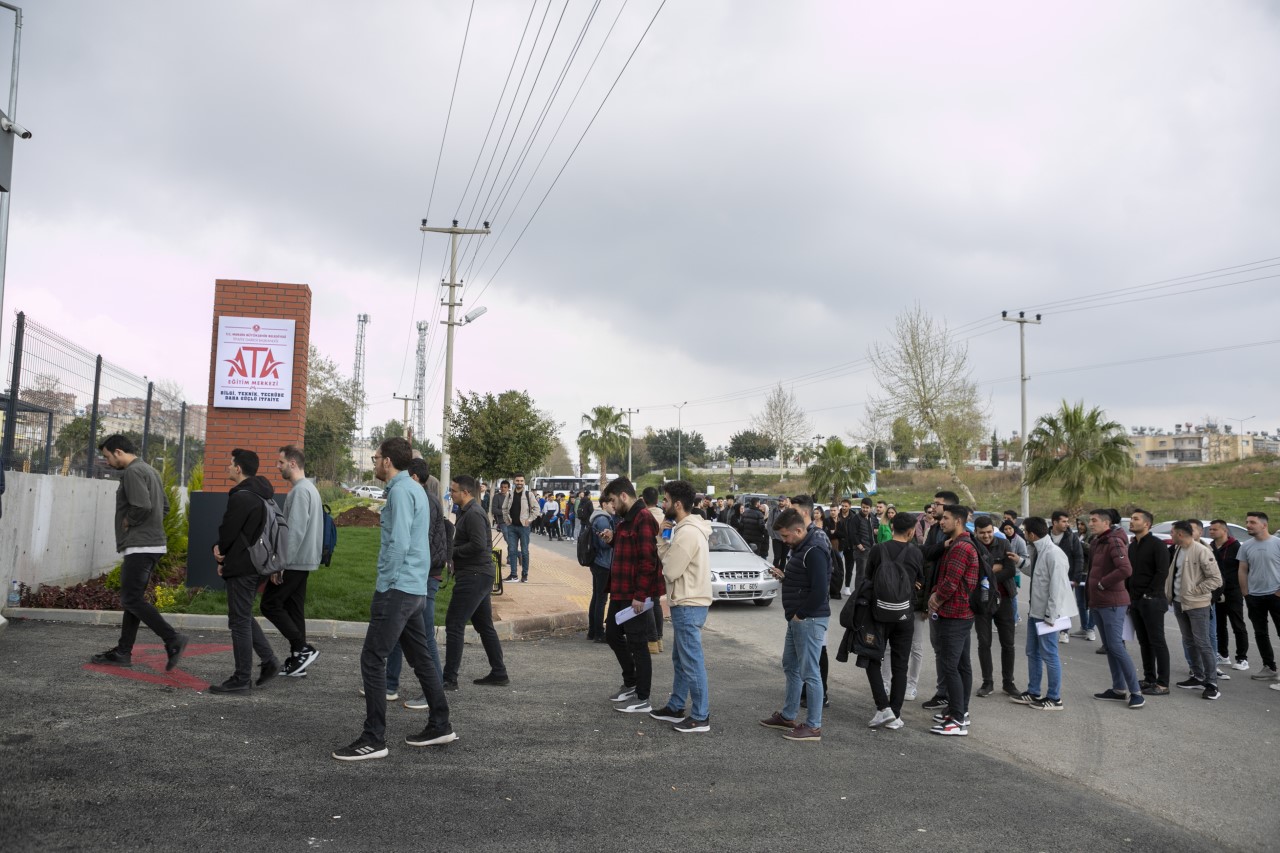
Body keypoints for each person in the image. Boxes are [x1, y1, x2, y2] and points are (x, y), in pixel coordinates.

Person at [333, 438, 455, 761]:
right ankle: (440, 723)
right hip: (415, 589)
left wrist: (385, 584)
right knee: (422, 659)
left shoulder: (401, 491)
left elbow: (399, 543)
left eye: (375, 458)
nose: (374, 463)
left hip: (399, 589)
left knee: (373, 658)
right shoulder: (417, 490)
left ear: (387, 462)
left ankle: (373, 738)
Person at [90, 435, 188, 672]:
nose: (107, 461)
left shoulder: (133, 472)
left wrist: (129, 522)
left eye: (107, 456)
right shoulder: (150, 470)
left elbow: (142, 506)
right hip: (151, 544)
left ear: (119, 452)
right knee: (132, 601)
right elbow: (163, 506)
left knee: (131, 599)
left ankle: (172, 638)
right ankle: (123, 651)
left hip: (140, 545)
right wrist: (150, 526)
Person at [209, 448, 282, 693]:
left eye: (231, 464)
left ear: (238, 468)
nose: (228, 467)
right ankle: (269, 661)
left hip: (243, 566)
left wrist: (220, 555)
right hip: (256, 564)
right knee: (243, 616)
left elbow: (228, 534)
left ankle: (241, 678)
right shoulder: (262, 495)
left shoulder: (241, 497)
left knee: (238, 621)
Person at [759, 507, 831, 742]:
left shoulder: (814, 550)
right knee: (790, 666)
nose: (784, 541)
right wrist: (785, 577)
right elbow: (806, 582)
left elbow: (821, 590)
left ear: (799, 530)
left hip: (808, 620)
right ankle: (788, 715)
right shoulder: (802, 548)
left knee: (811, 673)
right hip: (798, 619)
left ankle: (814, 726)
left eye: (786, 536)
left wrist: (801, 614)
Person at [649, 480, 713, 733]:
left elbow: (671, 570)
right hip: (687, 602)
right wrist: (665, 538)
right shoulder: (686, 528)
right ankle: (676, 706)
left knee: (691, 661)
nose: (662, 504)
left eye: (665, 500)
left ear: (677, 504)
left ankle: (700, 716)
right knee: (682, 658)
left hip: (688, 603)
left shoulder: (687, 532)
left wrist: (662, 543)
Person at [601, 478, 665, 714]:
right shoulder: (626, 520)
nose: (612, 506)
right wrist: (612, 538)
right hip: (619, 591)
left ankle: (642, 697)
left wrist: (640, 595)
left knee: (639, 644)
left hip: (635, 596)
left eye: (613, 501)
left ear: (624, 496)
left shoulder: (644, 518)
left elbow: (648, 561)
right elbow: (627, 546)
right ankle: (630, 681)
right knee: (613, 635)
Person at [442, 475, 509, 691]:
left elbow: (479, 545)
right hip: (477, 575)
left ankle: (449, 679)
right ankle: (499, 672)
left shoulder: (474, 514)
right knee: (483, 625)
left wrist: (451, 552)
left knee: (454, 624)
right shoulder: (466, 512)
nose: (450, 494)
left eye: (453, 491)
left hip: (474, 576)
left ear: (466, 493)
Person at [391, 464, 449, 709]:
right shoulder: (425, 498)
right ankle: (388, 684)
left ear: (414, 477)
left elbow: (417, 541)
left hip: (425, 576)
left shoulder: (423, 500)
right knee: (399, 632)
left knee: (425, 638)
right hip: (423, 574)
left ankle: (432, 695)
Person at [262, 444, 323, 677]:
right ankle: (300, 662)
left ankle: (302, 649)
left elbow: (294, 532)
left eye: (281, 462)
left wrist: (280, 564)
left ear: (293, 464)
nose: (278, 467)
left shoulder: (299, 491)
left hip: (294, 561)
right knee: (294, 609)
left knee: (269, 604)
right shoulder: (310, 489)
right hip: (304, 561)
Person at [1010, 517, 1077, 711]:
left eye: (1024, 531)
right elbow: (1037, 572)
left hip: (1048, 615)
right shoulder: (1039, 550)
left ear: (1031, 534)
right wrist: (1020, 562)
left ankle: (1055, 698)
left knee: (1049, 654)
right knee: (1032, 652)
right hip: (1035, 611)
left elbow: (1057, 588)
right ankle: (1034, 691)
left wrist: (1051, 616)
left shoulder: (1054, 554)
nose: (1023, 534)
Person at [864, 510, 923, 729]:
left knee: (871, 659)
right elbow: (919, 581)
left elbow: (867, 578)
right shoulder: (915, 553)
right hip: (905, 614)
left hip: (878, 614)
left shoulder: (878, 550)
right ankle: (895, 715)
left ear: (892, 527)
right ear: (910, 532)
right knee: (901, 664)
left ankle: (883, 708)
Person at [928, 504, 979, 736]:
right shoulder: (962, 543)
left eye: (946, 518)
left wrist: (935, 599)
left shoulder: (960, 547)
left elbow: (950, 582)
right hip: (962, 613)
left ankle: (957, 720)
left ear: (958, 521)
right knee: (961, 665)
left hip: (955, 613)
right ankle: (960, 711)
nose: (941, 521)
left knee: (951, 666)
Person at [1087, 509, 1145, 708]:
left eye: (1094, 520)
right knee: (1111, 648)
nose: (1090, 523)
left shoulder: (1113, 541)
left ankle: (1136, 692)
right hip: (1098, 602)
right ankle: (1119, 689)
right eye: (1090, 520)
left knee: (1117, 647)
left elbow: (1125, 569)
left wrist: (1103, 584)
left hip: (1112, 603)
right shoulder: (1097, 542)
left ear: (1106, 523)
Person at [1167, 521, 1224, 699]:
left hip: (1197, 605)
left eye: (1172, 533)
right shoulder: (1178, 549)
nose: (1170, 536)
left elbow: (1216, 579)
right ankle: (1197, 676)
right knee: (1189, 641)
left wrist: (1194, 592)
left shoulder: (1201, 551)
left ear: (1181, 534)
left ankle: (1212, 683)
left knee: (1203, 643)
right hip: (1178, 603)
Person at [972, 516, 1019, 698]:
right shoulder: (972, 545)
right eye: (982, 533)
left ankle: (1008, 683)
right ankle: (987, 682)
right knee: (984, 643)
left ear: (994, 530)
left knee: (1008, 643)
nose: (986, 536)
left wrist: (987, 575)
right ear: (976, 532)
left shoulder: (1003, 543)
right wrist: (994, 569)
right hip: (981, 601)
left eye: (989, 532)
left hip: (1005, 599)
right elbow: (973, 572)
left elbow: (1010, 570)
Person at [919, 491, 957, 711]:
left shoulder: (964, 536)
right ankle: (943, 693)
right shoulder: (934, 530)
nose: (933, 508)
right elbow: (925, 554)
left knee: (953, 654)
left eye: (938, 505)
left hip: (952, 605)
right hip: (933, 599)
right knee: (939, 649)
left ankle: (955, 702)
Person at [1127, 509, 1172, 695]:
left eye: (1135, 519)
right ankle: (1149, 678)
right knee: (1144, 642)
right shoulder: (1132, 546)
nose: (1131, 521)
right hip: (1135, 600)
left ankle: (1163, 684)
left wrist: (1148, 594)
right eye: (1131, 518)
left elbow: (1162, 572)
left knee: (1157, 641)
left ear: (1147, 524)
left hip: (1152, 601)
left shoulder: (1157, 545)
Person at [1238, 511, 1280, 684]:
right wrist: (1246, 593)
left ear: (1264, 525)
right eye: (1247, 521)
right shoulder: (1246, 546)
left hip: (1276, 595)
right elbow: (1242, 570)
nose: (1248, 525)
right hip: (1254, 596)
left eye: (1252, 522)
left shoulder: (1277, 543)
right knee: (1260, 633)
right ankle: (1269, 667)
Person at [1208, 519, 1248, 671]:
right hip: (1217, 592)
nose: (1211, 532)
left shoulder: (1236, 546)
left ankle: (1242, 658)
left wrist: (1242, 589)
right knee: (1219, 625)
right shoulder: (1210, 547)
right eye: (1210, 529)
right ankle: (1223, 655)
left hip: (1233, 592)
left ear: (1224, 531)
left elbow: (1243, 569)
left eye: (1214, 529)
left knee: (1238, 624)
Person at [1054, 511, 1095, 642]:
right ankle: (1076, 628)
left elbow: (1081, 556)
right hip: (1059, 575)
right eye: (1078, 524)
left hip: (1080, 575)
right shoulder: (1074, 536)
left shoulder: (1082, 537)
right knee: (1074, 603)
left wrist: (1076, 577)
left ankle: (1086, 629)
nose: (1080, 526)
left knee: (1083, 603)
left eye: (1083, 524)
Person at [494, 474, 538, 582]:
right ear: (514, 482)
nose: (519, 482)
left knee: (524, 552)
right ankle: (513, 575)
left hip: (524, 527)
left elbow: (536, 509)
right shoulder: (509, 495)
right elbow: (504, 509)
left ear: (524, 482)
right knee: (512, 550)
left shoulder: (529, 495)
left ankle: (524, 575)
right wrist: (506, 520)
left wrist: (530, 519)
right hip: (512, 527)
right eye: (517, 480)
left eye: (521, 481)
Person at [586, 494, 616, 642]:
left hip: (596, 562)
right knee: (601, 599)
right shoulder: (603, 519)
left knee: (596, 596)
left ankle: (592, 631)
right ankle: (598, 633)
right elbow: (605, 543)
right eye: (611, 503)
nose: (614, 506)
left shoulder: (596, 517)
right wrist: (614, 537)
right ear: (604, 504)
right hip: (603, 562)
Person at [846, 497, 878, 595]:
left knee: (870, 573)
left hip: (871, 549)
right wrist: (859, 545)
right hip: (861, 550)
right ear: (861, 506)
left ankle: (866, 593)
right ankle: (857, 595)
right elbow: (852, 533)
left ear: (870, 508)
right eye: (863, 507)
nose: (865, 509)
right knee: (861, 574)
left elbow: (876, 526)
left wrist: (876, 530)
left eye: (867, 508)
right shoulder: (856, 518)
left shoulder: (872, 516)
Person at [769, 495, 792, 570]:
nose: (781, 502)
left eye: (782, 501)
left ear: (786, 501)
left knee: (783, 558)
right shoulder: (774, 511)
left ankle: (781, 573)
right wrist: (772, 535)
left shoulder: (789, 511)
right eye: (780, 501)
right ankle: (775, 573)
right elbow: (769, 524)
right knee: (777, 557)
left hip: (786, 538)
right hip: (776, 538)